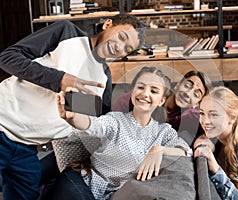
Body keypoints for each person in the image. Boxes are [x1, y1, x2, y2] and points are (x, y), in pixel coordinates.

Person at [0, 13, 144, 200]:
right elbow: (7, 58)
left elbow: (98, 123)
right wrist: (59, 79)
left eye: (128, 48)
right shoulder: (67, 33)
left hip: (27, 149)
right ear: (108, 24)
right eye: (122, 37)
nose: (120, 47)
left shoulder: (103, 80)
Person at [54, 66, 191, 200]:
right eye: (140, 87)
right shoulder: (115, 120)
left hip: (116, 194)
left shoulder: (164, 131)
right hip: (82, 181)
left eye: (154, 91)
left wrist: (159, 150)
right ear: (132, 91)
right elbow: (93, 125)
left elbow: (185, 150)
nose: (145, 93)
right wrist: (73, 117)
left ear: (161, 100)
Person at [113, 70, 212, 146]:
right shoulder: (133, 100)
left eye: (196, 94)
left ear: (197, 104)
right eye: (187, 86)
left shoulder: (189, 118)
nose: (188, 93)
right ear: (177, 85)